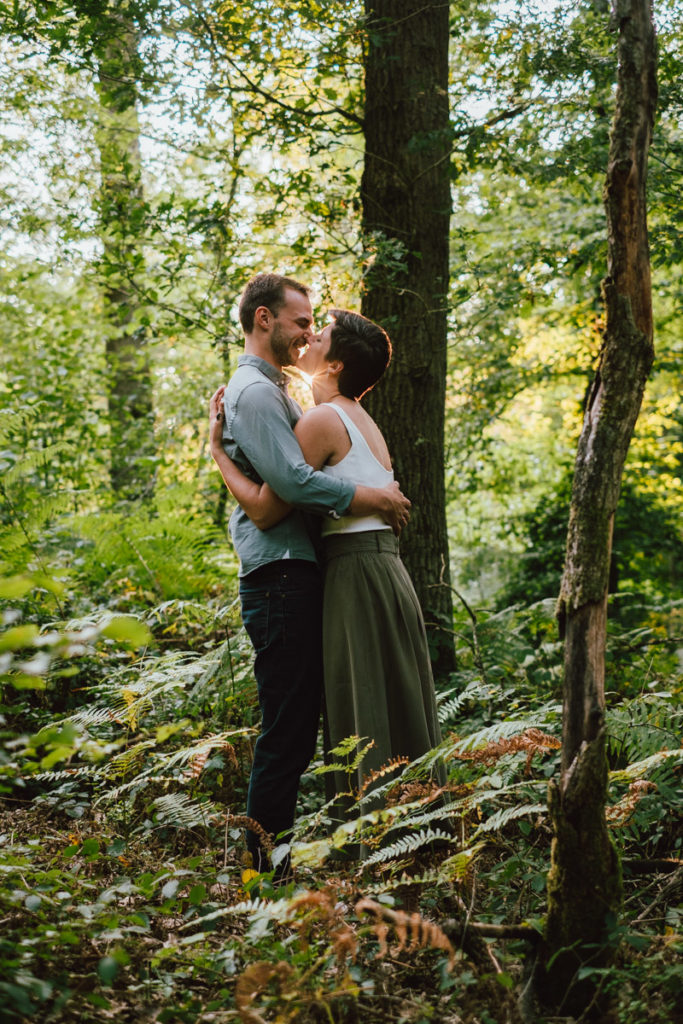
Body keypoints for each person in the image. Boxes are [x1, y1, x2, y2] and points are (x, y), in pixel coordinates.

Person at [210, 299, 443, 857]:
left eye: (323, 332)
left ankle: (375, 847)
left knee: (360, 702)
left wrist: (217, 452)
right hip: (385, 569)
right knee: (395, 699)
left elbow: (268, 508)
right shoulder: (363, 422)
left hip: (355, 574)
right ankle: (417, 839)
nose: (311, 335)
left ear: (336, 364)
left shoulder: (319, 419)